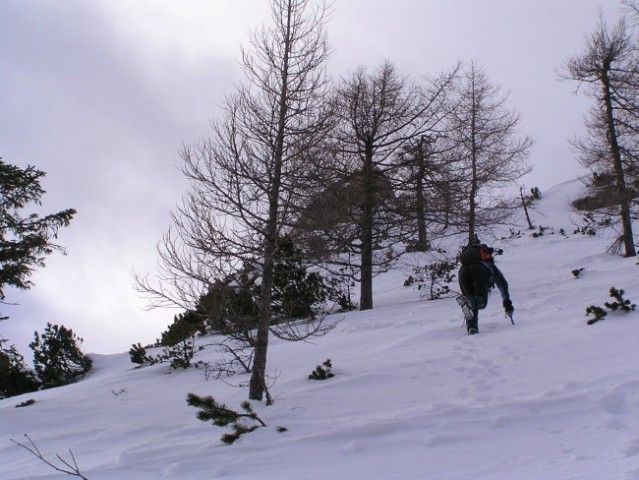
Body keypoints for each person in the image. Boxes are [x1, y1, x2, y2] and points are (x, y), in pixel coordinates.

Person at [456, 236, 514, 335]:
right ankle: (470, 303)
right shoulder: (488, 265)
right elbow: (502, 284)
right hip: (479, 271)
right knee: (480, 301)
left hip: (462, 272)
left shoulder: (466, 261)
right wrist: (507, 303)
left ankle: (472, 328)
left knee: (471, 301)